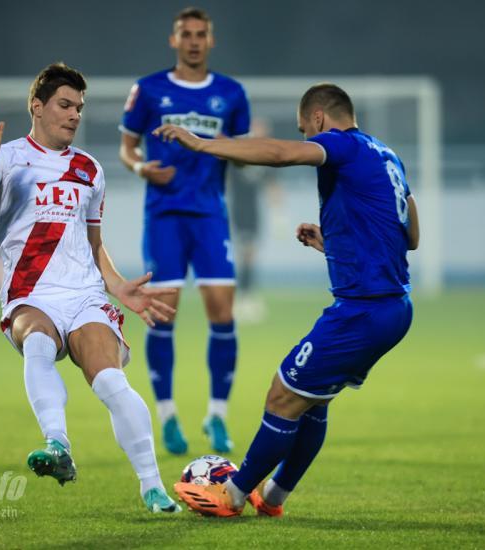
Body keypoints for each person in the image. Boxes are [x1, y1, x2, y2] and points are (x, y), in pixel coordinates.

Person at [157, 83, 419, 517]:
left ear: (319, 118)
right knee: (312, 401)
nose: (305, 139)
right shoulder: (387, 155)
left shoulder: (341, 144)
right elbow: (409, 235)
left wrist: (201, 144)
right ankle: (273, 497)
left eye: (305, 130)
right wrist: (335, 243)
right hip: (391, 307)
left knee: (282, 395)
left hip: (364, 309)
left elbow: (280, 155)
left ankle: (234, 494)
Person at [0, 62, 181, 514]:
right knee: (36, 340)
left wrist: (118, 288)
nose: (74, 114)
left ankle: (152, 487)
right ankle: (58, 445)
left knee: (112, 381)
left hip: (84, 295)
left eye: (79, 106)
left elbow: (94, 243)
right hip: (30, 294)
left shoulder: (89, 170)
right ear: (37, 107)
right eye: (64, 105)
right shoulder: (8, 156)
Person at [119, 6, 251, 455]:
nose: (194, 41)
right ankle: (169, 416)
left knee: (223, 314)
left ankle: (217, 416)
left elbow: (241, 149)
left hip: (211, 216)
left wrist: (230, 151)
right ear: (173, 40)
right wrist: (140, 168)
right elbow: (126, 146)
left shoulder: (232, 93)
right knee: (163, 315)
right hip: (164, 217)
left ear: (210, 41)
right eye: (186, 34)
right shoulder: (149, 89)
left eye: (201, 34)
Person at [228, 118, 276, 324]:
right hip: (239, 210)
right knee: (245, 254)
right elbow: (225, 182)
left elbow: (272, 185)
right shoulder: (238, 156)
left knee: (250, 255)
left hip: (255, 212)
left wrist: (279, 215)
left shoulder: (264, 159)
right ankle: (242, 298)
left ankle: (246, 296)